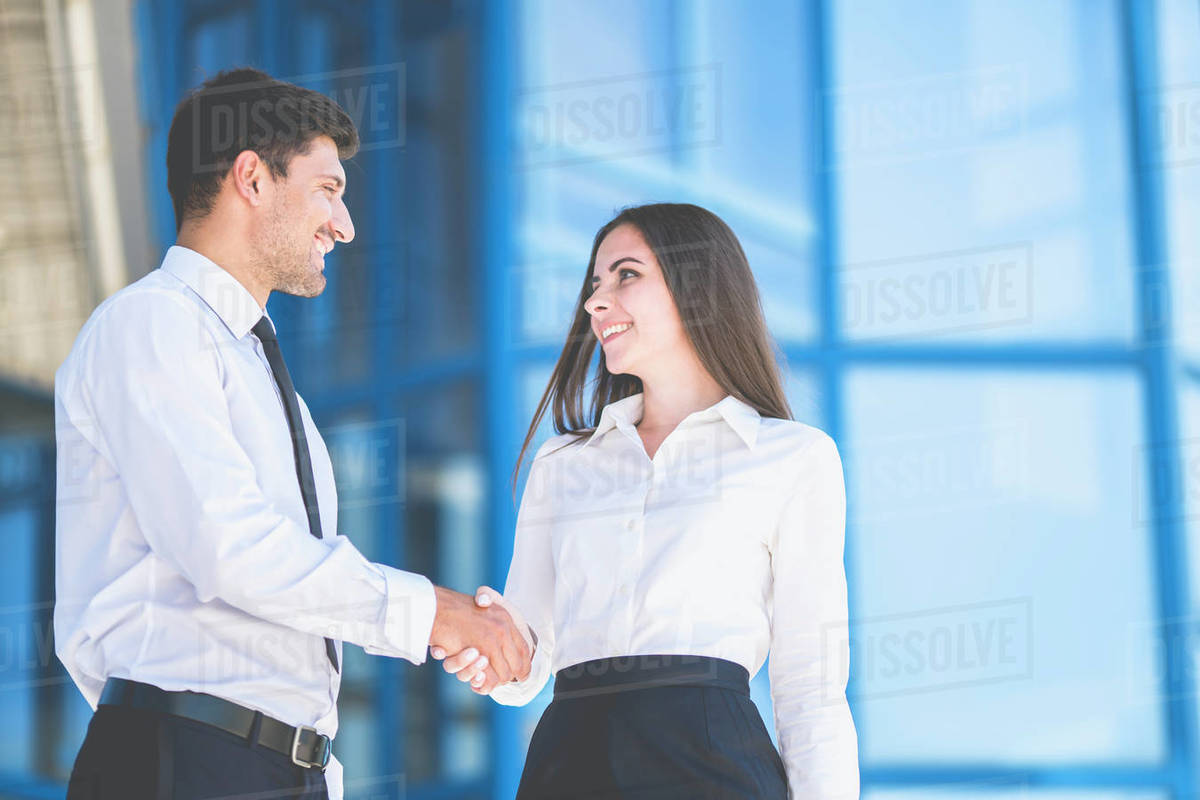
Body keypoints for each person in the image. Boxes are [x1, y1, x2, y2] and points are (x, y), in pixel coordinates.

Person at [54, 68, 529, 800]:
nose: (346, 225)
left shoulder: (264, 378)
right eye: (329, 190)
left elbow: (284, 621)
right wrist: (431, 612)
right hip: (186, 757)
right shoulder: (153, 323)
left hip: (264, 766)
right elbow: (229, 548)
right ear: (251, 178)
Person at [434, 203, 860, 798]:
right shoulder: (563, 464)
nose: (595, 302)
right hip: (570, 760)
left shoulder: (792, 457)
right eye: (594, 283)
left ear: (698, 290)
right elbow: (527, 667)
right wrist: (498, 647)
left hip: (712, 765)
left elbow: (811, 688)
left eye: (625, 275)